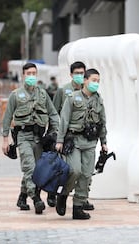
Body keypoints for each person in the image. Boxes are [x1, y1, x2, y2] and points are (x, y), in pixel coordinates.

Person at [2, 62, 59, 215]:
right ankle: (36, 199)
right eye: (29, 74)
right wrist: (5, 139)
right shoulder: (16, 95)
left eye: (34, 73)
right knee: (30, 168)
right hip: (23, 137)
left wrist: (54, 133)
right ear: (23, 75)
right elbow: (7, 117)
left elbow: (53, 114)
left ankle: (22, 197)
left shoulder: (43, 94)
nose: (32, 76)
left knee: (36, 170)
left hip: (39, 138)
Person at [55, 68, 108, 220]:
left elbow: (103, 122)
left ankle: (78, 206)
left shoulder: (99, 100)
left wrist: (104, 142)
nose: (96, 84)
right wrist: (60, 140)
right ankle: (64, 194)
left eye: (98, 81)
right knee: (75, 170)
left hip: (90, 142)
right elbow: (64, 120)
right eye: (93, 80)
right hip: (74, 141)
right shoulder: (72, 98)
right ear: (85, 80)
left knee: (86, 175)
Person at [48, 61, 95, 211]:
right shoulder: (63, 91)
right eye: (77, 73)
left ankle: (82, 198)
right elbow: (55, 113)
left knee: (86, 172)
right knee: (71, 170)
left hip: (86, 138)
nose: (80, 76)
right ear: (71, 75)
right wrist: (56, 136)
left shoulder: (89, 92)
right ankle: (58, 193)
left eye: (82, 73)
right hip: (67, 138)